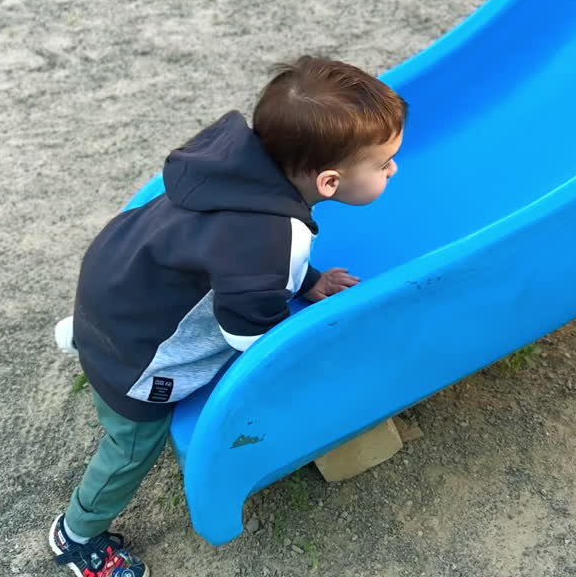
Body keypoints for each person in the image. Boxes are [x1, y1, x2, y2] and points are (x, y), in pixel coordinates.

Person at [48, 56, 407, 577]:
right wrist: (297, 358)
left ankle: (88, 336)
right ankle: (76, 534)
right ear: (328, 182)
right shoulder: (268, 238)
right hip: (138, 356)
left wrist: (309, 282)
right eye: (383, 164)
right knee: (131, 447)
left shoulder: (240, 164)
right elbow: (247, 332)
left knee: (149, 309)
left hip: (117, 286)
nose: (393, 169)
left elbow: (234, 259)